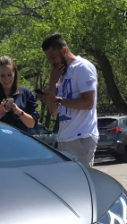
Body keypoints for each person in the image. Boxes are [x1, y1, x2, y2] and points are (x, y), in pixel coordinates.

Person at [36, 33, 99, 168]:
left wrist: (58, 100)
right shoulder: (59, 73)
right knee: (68, 186)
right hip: (64, 138)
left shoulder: (82, 68)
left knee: (82, 183)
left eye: (53, 57)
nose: (51, 62)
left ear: (64, 50)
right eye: (48, 58)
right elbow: (53, 110)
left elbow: (88, 103)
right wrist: (52, 82)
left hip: (81, 137)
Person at [0, 56, 40, 133]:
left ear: (14, 73)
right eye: (2, 76)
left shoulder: (25, 94)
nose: (6, 79)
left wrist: (18, 111)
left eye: (9, 75)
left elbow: (31, 124)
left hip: (21, 142)